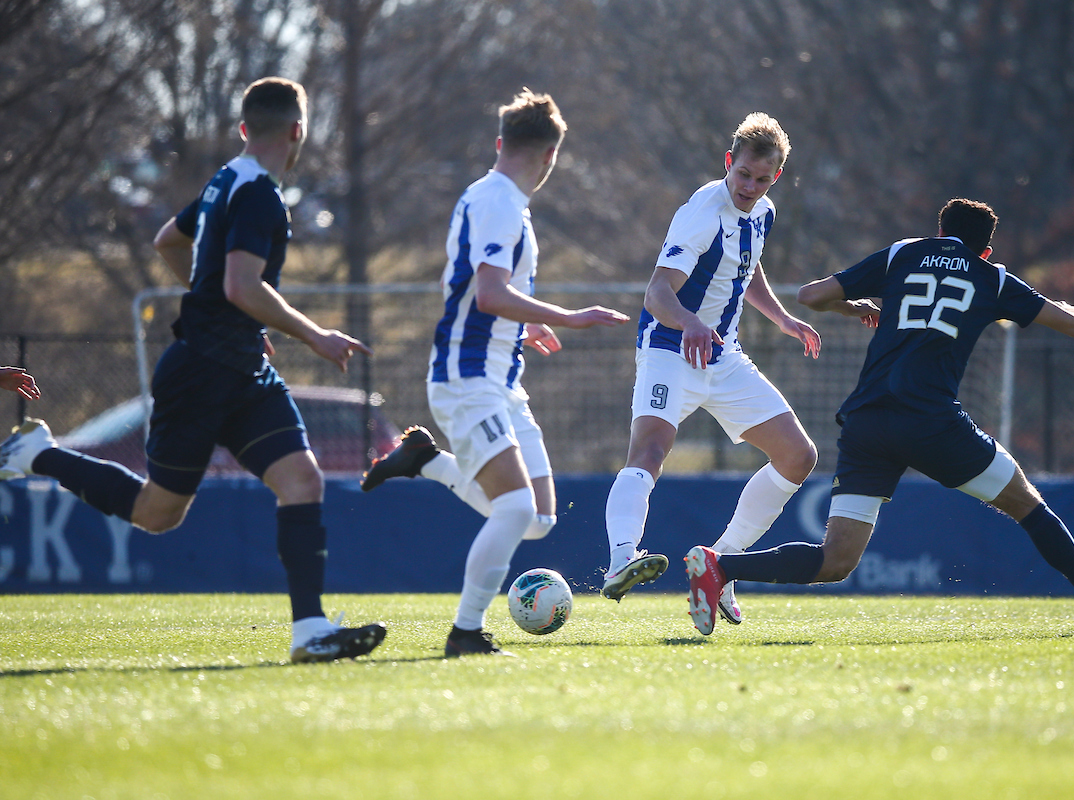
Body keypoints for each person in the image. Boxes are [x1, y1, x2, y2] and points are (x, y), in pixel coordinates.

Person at [0, 77, 387, 662]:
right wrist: (311, 333)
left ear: (242, 129)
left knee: (301, 479)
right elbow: (239, 284)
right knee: (159, 513)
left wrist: (233, 312)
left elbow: (167, 243)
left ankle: (309, 630)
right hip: (202, 371)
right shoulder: (257, 193)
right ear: (297, 131)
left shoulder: (224, 181)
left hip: (244, 368)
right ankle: (36, 455)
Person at [685, 198, 1074, 636]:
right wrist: (1060, 301)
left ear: (940, 232)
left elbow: (810, 295)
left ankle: (722, 566)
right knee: (1028, 506)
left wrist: (855, 307)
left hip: (867, 420)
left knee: (836, 562)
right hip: (931, 422)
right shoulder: (991, 277)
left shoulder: (903, 255)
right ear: (985, 249)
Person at [359, 88, 629, 657]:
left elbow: (459, 286)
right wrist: (567, 317)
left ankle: (427, 462)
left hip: (501, 377)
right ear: (551, 156)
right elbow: (486, 294)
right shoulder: (501, 202)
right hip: (468, 377)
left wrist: (519, 327)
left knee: (540, 518)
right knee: (514, 509)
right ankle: (465, 632)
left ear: (501, 142)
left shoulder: (489, 198)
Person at [599, 112, 825, 626]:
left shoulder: (763, 211)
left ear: (775, 179)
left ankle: (720, 565)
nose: (749, 186)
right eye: (743, 173)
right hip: (669, 348)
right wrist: (692, 325)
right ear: (729, 162)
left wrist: (784, 318)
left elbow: (746, 268)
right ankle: (619, 559)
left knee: (797, 456)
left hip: (721, 354)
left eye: (761, 179)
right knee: (651, 451)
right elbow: (657, 293)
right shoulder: (702, 210)